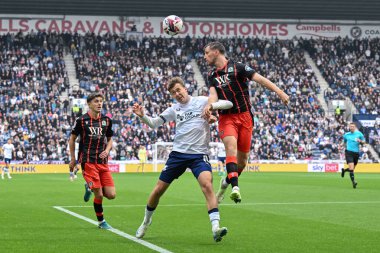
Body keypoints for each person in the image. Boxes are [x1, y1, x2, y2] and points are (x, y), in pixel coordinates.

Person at [133, 77, 233, 242]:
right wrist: (142, 116)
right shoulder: (173, 109)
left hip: (199, 156)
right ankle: (146, 221)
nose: (177, 94)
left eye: (179, 90)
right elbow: (153, 124)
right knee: (158, 190)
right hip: (178, 155)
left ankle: (215, 227)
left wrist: (212, 106)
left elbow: (229, 104)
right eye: (173, 93)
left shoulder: (202, 101)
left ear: (185, 88)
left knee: (207, 185)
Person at [202, 41, 289, 203]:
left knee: (242, 162)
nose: (204, 56)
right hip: (227, 118)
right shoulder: (212, 76)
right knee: (230, 148)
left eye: (206, 53)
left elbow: (260, 80)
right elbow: (213, 96)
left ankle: (225, 183)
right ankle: (235, 188)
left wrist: (280, 92)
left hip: (245, 117)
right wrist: (210, 108)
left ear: (216, 52)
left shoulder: (238, 67)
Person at [68, 92, 116, 229]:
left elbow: (110, 138)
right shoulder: (81, 121)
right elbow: (71, 139)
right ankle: (101, 222)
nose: (99, 103)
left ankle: (89, 186)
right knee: (99, 194)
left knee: (111, 195)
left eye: (101, 101)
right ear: (89, 104)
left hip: (103, 163)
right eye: (96, 101)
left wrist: (107, 150)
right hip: (88, 161)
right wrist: (73, 159)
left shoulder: (107, 120)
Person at [340, 122, 365, 189]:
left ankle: (344, 171)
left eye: (353, 126)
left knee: (352, 168)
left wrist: (360, 141)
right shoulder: (346, 135)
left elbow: (364, 142)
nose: (352, 128)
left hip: (356, 153)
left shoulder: (359, 134)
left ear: (355, 127)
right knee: (351, 168)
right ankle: (353, 182)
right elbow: (344, 142)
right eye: (350, 126)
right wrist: (341, 145)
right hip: (348, 152)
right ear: (349, 127)